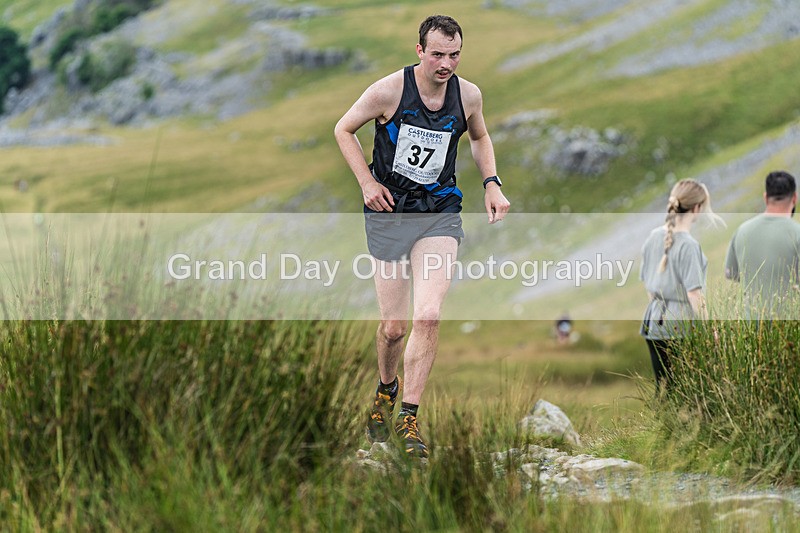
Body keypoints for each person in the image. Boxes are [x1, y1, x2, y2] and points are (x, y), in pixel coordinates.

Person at [334, 15, 510, 457]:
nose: (446, 64)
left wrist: (491, 183)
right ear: (419, 51)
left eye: (454, 55)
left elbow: (481, 135)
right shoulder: (389, 91)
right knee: (393, 328)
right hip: (389, 213)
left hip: (439, 215)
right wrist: (368, 184)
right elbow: (343, 129)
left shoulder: (468, 95)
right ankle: (385, 391)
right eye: (437, 54)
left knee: (428, 316)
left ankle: (409, 418)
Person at [639, 179, 717, 390]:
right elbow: (694, 295)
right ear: (697, 208)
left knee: (664, 388)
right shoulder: (689, 246)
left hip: (653, 322)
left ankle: (663, 422)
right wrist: (711, 331)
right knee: (687, 390)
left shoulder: (653, 236)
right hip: (681, 326)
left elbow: (648, 286)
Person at [724, 170, 800, 319]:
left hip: (750, 328)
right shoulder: (797, 232)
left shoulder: (741, 231)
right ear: (794, 198)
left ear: (765, 198)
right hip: (789, 327)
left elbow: (730, 273)